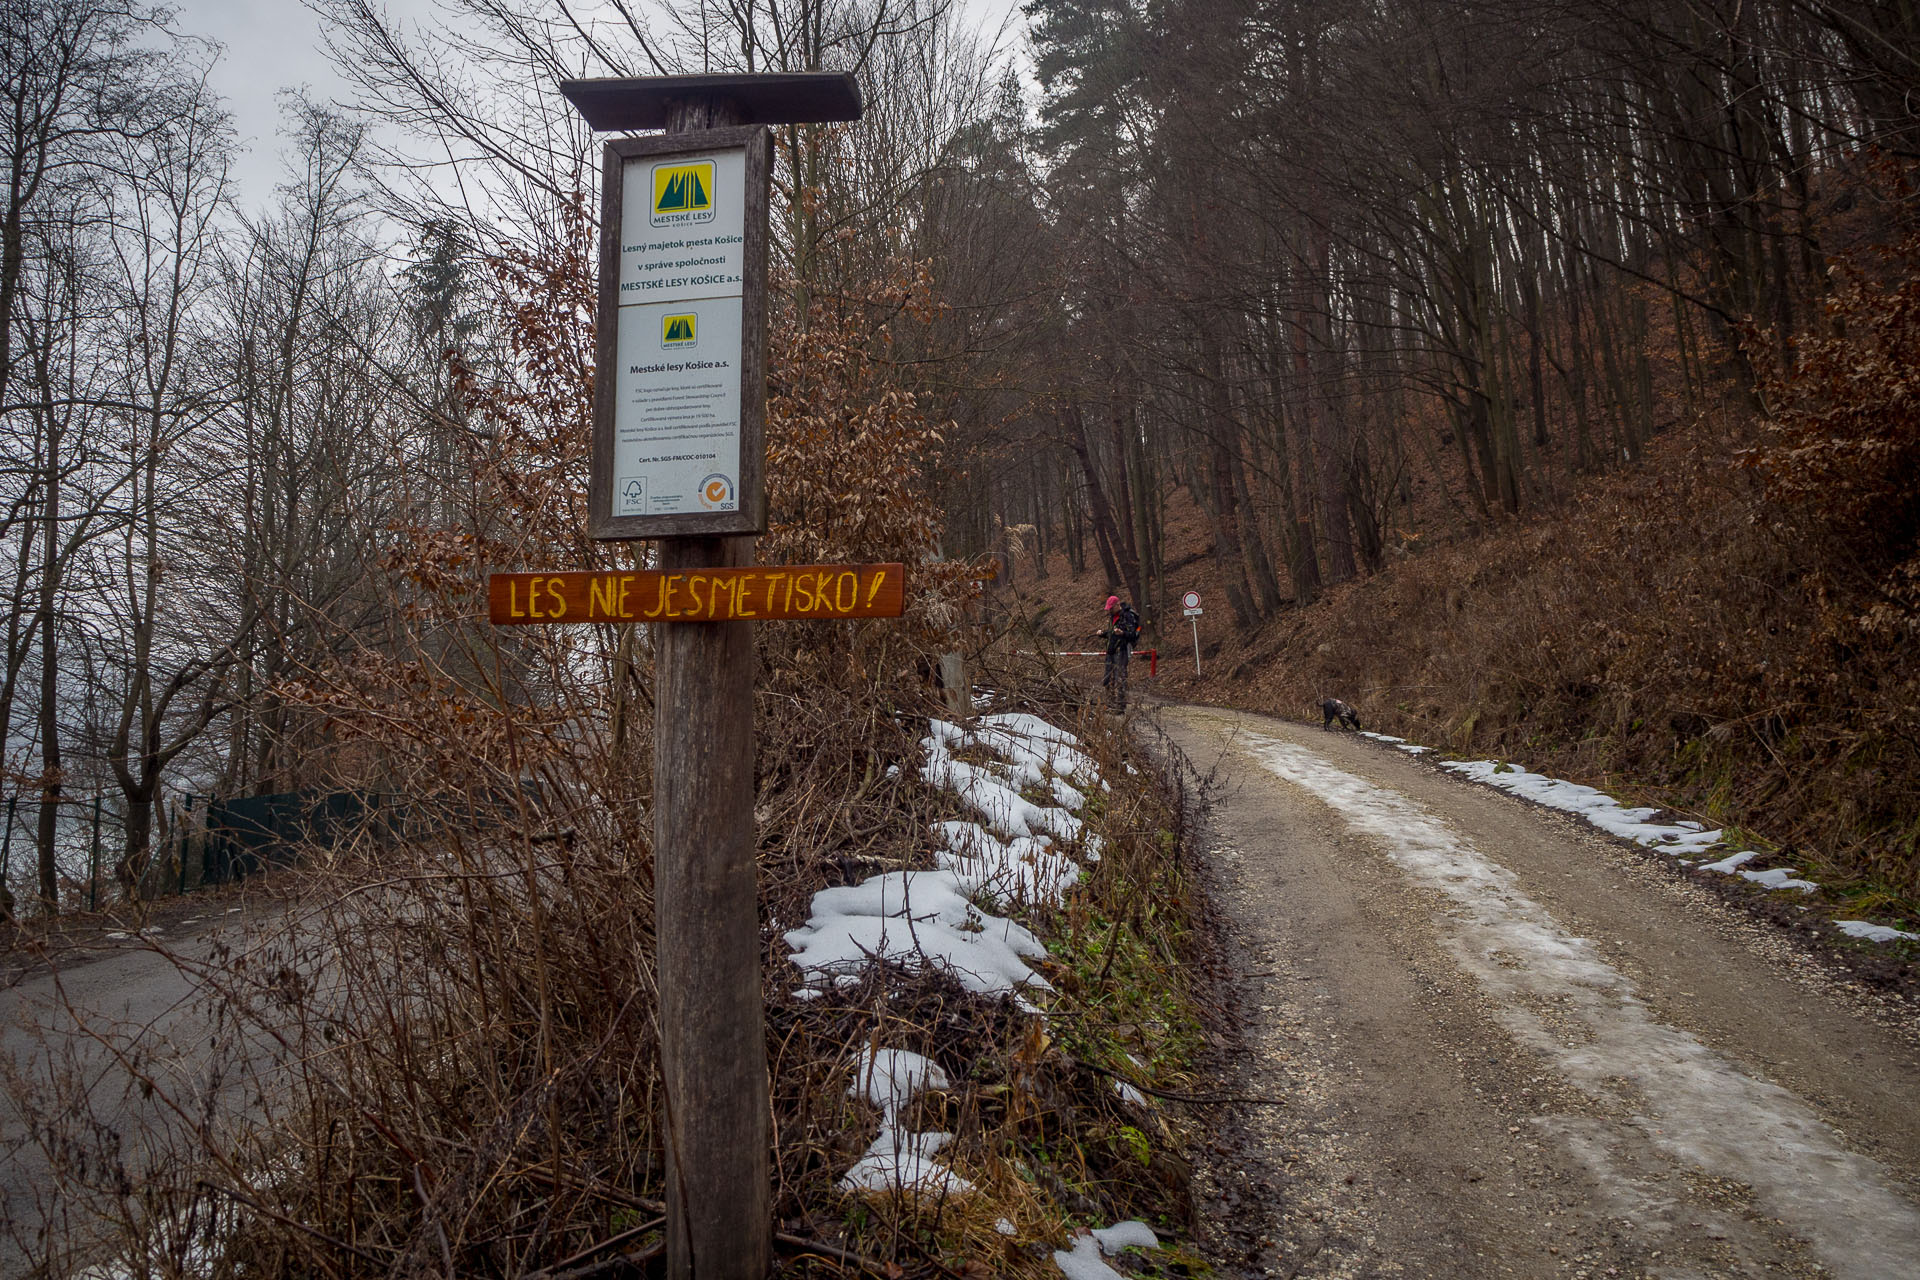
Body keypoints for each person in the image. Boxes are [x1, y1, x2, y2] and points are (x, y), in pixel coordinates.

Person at [1095, 594, 1142, 709]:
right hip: (1111, 651)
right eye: (1109, 608)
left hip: (1122, 650)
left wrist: (1123, 633)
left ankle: (1121, 705)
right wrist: (1103, 634)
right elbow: (1112, 633)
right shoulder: (1113, 617)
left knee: (1120, 678)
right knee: (1107, 678)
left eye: (1111, 608)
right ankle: (1110, 703)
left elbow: (1132, 635)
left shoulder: (1128, 616)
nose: (1109, 610)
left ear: (1117, 605)